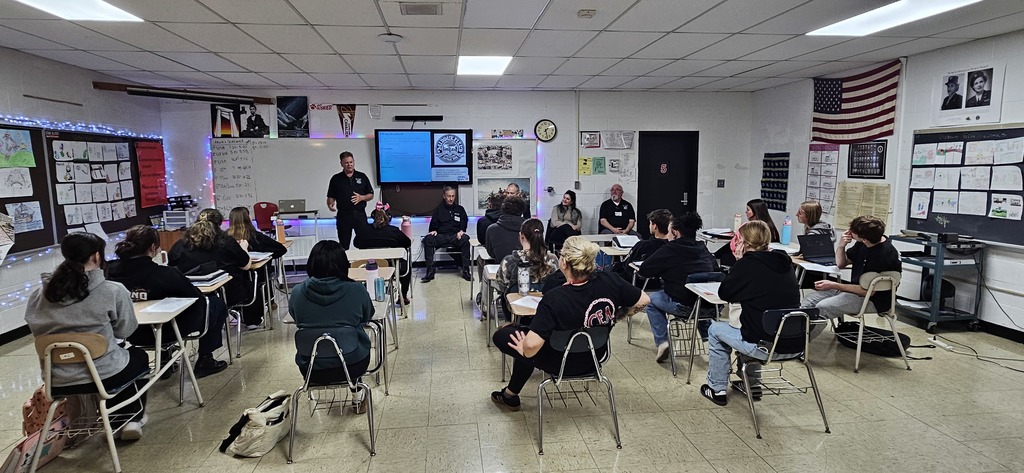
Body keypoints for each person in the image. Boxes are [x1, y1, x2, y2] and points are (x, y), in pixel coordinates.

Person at [489, 236, 650, 411]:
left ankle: (510, 395)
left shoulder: (554, 297)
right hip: (596, 357)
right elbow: (644, 299)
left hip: (558, 361)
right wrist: (616, 316)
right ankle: (509, 395)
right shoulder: (611, 280)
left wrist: (524, 349)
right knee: (532, 336)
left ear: (563, 262)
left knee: (506, 336)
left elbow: (532, 348)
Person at [25, 233, 151, 439]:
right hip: (104, 375)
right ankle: (130, 420)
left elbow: (35, 327)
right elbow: (125, 331)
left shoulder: (39, 295)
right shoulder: (113, 290)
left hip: (57, 379)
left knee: (118, 360)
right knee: (137, 358)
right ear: (96, 257)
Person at [700, 220, 801, 406]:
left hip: (764, 346)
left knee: (716, 330)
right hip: (795, 342)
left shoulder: (747, 265)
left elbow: (725, 293)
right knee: (752, 324)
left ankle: (717, 389)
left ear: (744, 243)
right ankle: (751, 384)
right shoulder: (784, 262)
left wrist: (739, 262)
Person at [107, 225, 229, 378]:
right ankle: (205, 359)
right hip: (168, 332)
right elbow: (196, 298)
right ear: (153, 248)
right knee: (215, 304)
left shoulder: (109, 273)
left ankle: (164, 360)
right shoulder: (165, 274)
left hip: (130, 332)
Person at [289, 240, 374, 414]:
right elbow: (368, 316)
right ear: (344, 264)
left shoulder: (297, 292)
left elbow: (296, 319)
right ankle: (357, 394)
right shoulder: (357, 290)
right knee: (353, 341)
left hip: (311, 369)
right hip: (353, 365)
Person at [638, 212, 719, 363]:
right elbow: (715, 272)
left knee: (650, 301)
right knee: (697, 294)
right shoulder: (703, 249)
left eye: (669, 232)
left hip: (683, 306)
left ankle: (662, 342)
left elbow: (644, 270)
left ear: (675, 232)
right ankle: (707, 335)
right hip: (709, 307)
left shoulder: (671, 249)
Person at [800, 215, 901, 333]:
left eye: (853, 232)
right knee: (808, 302)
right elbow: (841, 264)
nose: (849, 233)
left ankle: (802, 346)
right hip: (854, 291)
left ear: (864, 239)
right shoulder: (864, 243)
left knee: (823, 307)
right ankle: (794, 337)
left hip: (874, 299)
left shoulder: (884, 255)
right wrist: (841, 246)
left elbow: (867, 291)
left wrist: (835, 285)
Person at [169, 212, 253, 322]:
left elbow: (172, 268)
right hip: (228, 293)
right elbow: (246, 266)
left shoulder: (181, 244)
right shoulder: (227, 242)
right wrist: (244, 248)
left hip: (191, 294)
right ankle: (251, 320)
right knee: (250, 280)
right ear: (220, 224)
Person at [226, 206, 287, 322]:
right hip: (257, 278)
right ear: (248, 218)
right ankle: (270, 301)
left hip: (232, 281)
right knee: (263, 272)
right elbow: (281, 249)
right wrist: (268, 256)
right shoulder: (256, 236)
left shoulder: (225, 239)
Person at [495, 218, 559, 322]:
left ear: (521, 236)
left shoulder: (509, 261)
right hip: (546, 312)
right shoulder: (553, 260)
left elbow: (501, 285)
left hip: (516, 313)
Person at [354, 206, 413, 306]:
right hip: (391, 266)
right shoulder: (393, 230)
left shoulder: (363, 230)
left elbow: (356, 243)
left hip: (367, 267)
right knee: (405, 268)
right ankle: (403, 296)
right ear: (388, 218)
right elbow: (407, 243)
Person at [421, 185, 472, 282]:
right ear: (444, 196)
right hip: (441, 236)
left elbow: (463, 225)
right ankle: (430, 270)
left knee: (465, 239)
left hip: (455, 236)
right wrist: (433, 230)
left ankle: (466, 270)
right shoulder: (438, 210)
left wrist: (461, 232)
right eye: (449, 196)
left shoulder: (460, 209)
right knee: (428, 239)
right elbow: (433, 226)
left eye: (453, 196)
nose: (451, 199)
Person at [610, 208, 672, 285]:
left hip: (637, 283)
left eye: (650, 223)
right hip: (659, 283)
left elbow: (626, 267)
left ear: (654, 226)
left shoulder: (642, 245)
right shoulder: (672, 247)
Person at [326, 151, 374, 249]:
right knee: (344, 245)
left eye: (351, 162)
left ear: (354, 162)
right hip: (344, 216)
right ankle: (345, 264)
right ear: (341, 164)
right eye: (346, 163)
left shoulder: (362, 176)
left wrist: (362, 198)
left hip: (360, 215)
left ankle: (364, 263)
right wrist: (330, 204)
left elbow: (371, 194)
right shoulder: (336, 179)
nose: (349, 165)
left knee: (364, 242)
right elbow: (330, 196)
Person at [715, 198, 780, 267]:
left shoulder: (763, 228)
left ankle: (715, 256)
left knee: (726, 257)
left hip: (752, 256)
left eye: (748, 210)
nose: (746, 212)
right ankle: (715, 255)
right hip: (753, 255)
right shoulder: (760, 225)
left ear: (756, 211)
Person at [485, 196, 527, 263]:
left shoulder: (491, 229)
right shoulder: (529, 229)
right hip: (526, 268)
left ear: (503, 208)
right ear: (522, 210)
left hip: (501, 266)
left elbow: (491, 253)